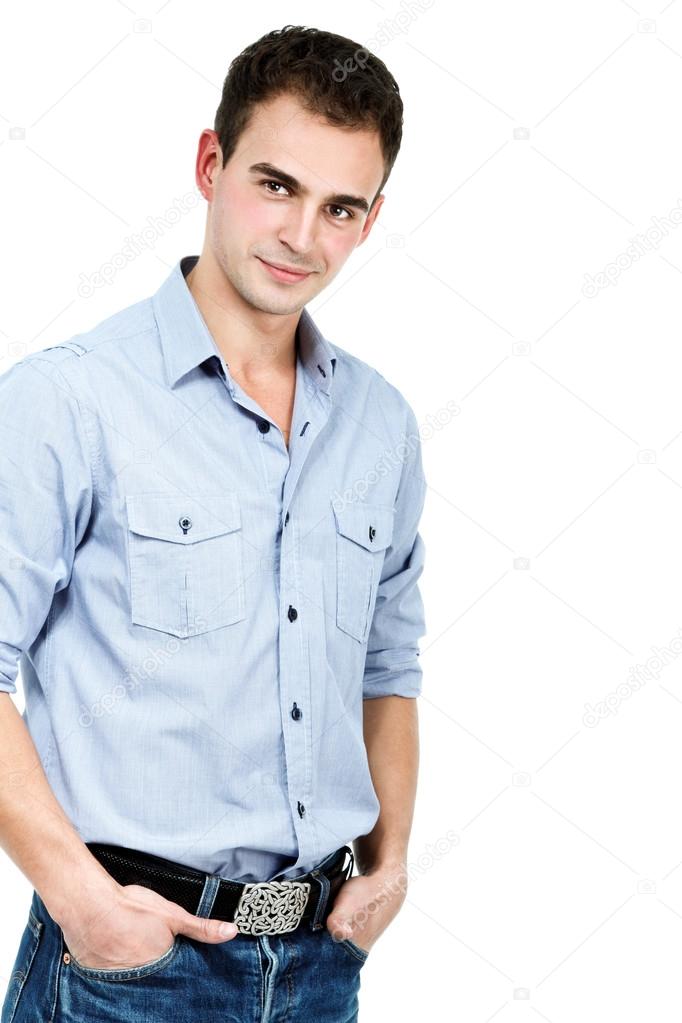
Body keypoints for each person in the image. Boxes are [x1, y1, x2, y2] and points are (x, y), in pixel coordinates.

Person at [0, 23, 427, 1023]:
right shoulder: (68, 401)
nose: (300, 237)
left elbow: (387, 667)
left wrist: (391, 865)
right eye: (275, 185)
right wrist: (83, 902)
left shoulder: (380, 426)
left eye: (339, 208)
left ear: (369, 220)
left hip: (319, 964)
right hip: (126, 968)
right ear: (210, 163)